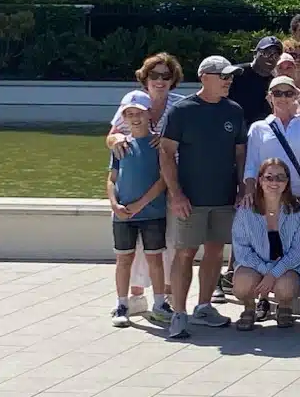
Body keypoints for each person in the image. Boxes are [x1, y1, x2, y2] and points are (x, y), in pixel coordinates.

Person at [159, 56, 247, 340]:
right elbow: (166, 153)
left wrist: (242, 189)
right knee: (185, 253)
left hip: (223, 197)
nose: (228, 81)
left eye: (230, 76)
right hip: (190, 199)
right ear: (204, 77)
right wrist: (176, 194)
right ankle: (179, 313)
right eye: (223, 76)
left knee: (214, 251)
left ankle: (204, 306)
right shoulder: (182, 111)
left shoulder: (234, 110)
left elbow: (240, 154)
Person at [106, 92, 170, 326]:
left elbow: (164, 179)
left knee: (155, 259)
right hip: (122, 214)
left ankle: (160, 304)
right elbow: (112, 178)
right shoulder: (120, 145)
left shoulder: (158, 144)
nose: (134, 118)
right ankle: (122, 304)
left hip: (153, 213)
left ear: (149, 114)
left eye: (139, 113)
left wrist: (141, 204)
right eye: (129, 114)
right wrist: (114, 203)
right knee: (124, 259)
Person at [230, 157, 300, 330]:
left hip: (287, 267)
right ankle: (249, 307)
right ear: (260, 180)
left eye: (280, 177)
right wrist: (267, 271)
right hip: (254, 265)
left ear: (287, 182)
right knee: (242, 283)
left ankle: (284, 307)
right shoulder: (246, 209)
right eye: (269, 177)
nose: (274, 182)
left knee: (287, 286)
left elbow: (298, 251)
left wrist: (274, 273)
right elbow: (242, 251)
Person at [243, 75, 300, 209]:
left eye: (288, 94)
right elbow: (251, 166)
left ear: (295, 97)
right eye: (277, 93)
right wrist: (249, 193)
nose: (283, 98)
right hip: (266, 201)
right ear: (269, 97)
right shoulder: (257, 128)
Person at [228, 37, 281, 126]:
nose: (271, 58)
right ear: (255, 53)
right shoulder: (236, 73)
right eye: (266, 53)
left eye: (276, 56)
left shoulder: (274, 83)